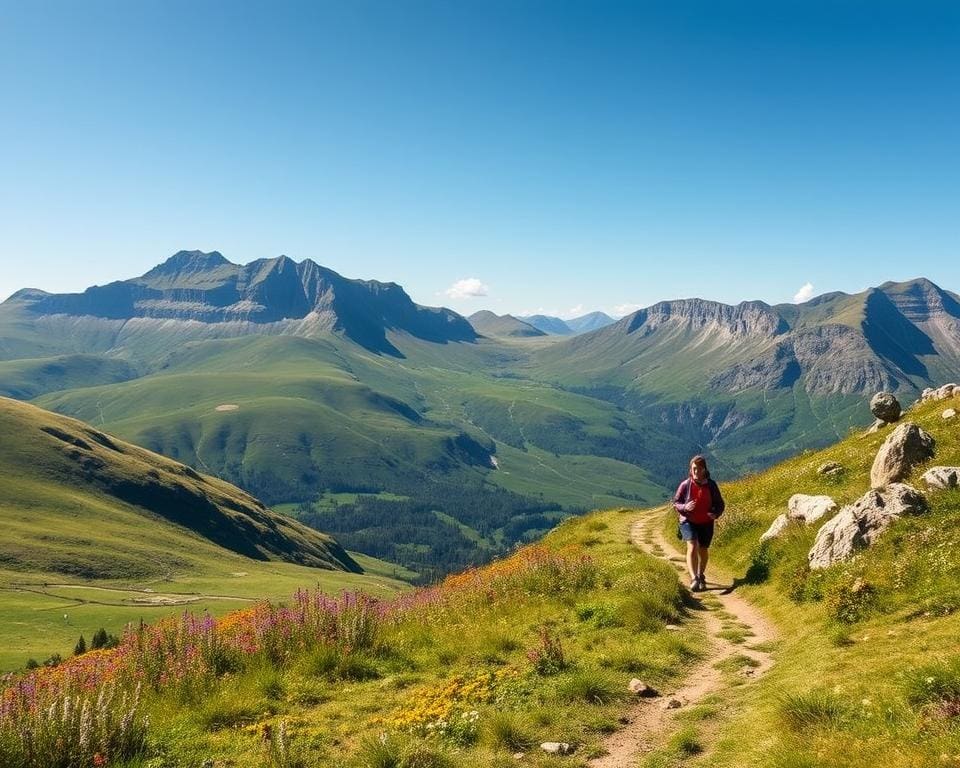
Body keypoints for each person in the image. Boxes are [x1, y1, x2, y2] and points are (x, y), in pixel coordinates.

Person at [673, 455, 725, 592]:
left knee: (703, 549)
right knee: (692, 545)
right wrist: (685, 507)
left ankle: (701, 575)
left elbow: (720, 504)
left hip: (706, 522)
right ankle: (694, 578)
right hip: (688, 521)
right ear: (691, 469)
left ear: (704, 470)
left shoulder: (711, 485)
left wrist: (716, 514)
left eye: (699, 469)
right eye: (694, 469)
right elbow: (676, 503)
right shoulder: (685, 485)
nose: (696, 472)